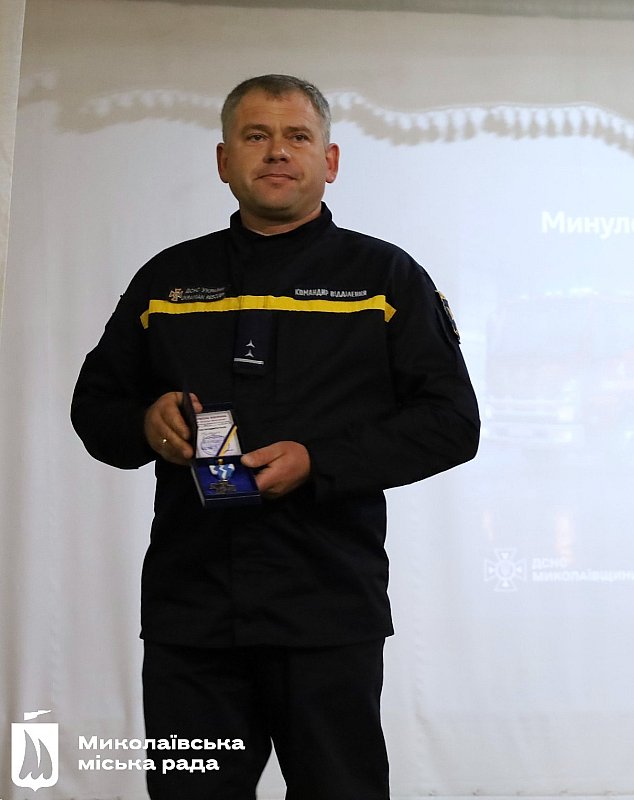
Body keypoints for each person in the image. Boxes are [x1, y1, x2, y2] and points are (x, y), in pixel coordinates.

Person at [71, 74, 479, 799]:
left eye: (298, 137)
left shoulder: (384, 278)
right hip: (192, 614)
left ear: (331, 161)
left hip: (328, 609)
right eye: (256, 136)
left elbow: (451, 423)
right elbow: (94, 408)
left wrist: (320, 463)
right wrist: (144, 422)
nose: (277, 152)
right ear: (224, 160)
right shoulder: (167, 279)